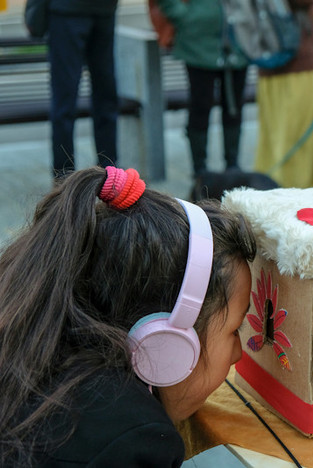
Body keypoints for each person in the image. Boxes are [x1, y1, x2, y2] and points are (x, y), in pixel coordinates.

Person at [0, 166, 256, 465]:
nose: (239, 354)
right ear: (165, 342)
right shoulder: (130, 439)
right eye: (234, 329)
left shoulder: (27, 346)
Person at [155, 0, 250, 178]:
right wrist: (184, 15)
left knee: (234, 107)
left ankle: (233, 168)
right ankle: (200, 171)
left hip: (239, 38)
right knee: (200, 106)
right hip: (197, 42)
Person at [253, 0, 313, 189]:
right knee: (294, 151)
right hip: (295, 72)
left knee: (277, 145)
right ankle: (289, 203)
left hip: (283, 68)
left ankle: (278, 196)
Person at [45, 0, 119, 178]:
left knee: (106, 97)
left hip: (102, 10)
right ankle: (64, 182)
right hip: (67, 11)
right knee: (66, 101)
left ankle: (110, 177)